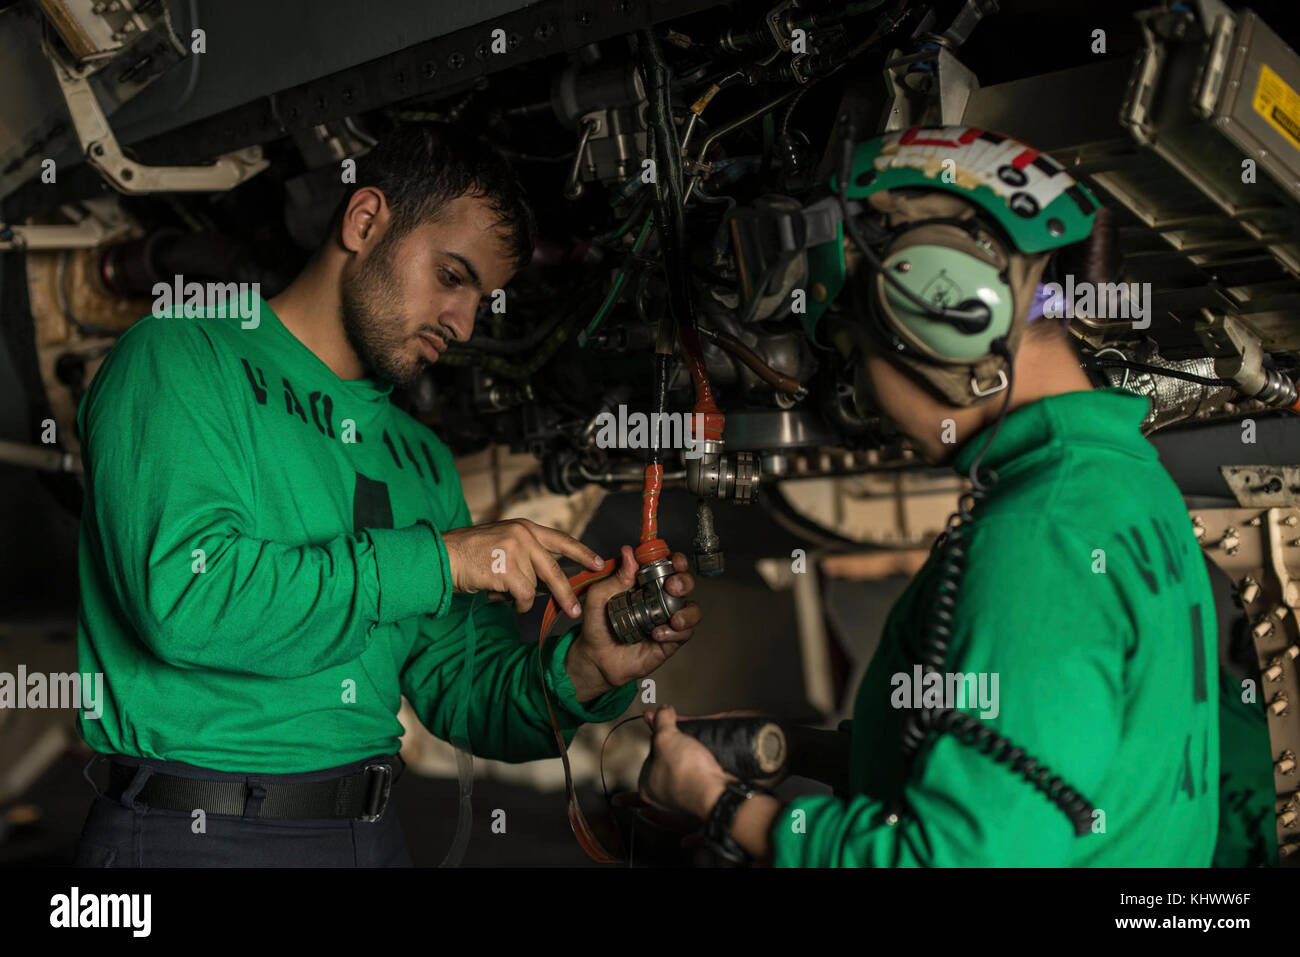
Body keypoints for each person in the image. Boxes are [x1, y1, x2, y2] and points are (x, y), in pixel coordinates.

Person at [72, 124, 701, 867]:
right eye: (453, 275)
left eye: (483, 299)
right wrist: (437, 561)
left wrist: (585, 668)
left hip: (368, 834)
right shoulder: (182, 356)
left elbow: (460, 688)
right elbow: (183, 598)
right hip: (193, 833)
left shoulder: (421, 459)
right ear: (365, 221)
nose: (464, 324)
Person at [631, 127, 1221, 866]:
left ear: (943, 319)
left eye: (855, 355)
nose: (864, 398)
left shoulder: (1041, 535)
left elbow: (958, 858)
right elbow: (1031, 765)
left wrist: (723, 807)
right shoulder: (1125, 485)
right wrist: (788, 749)